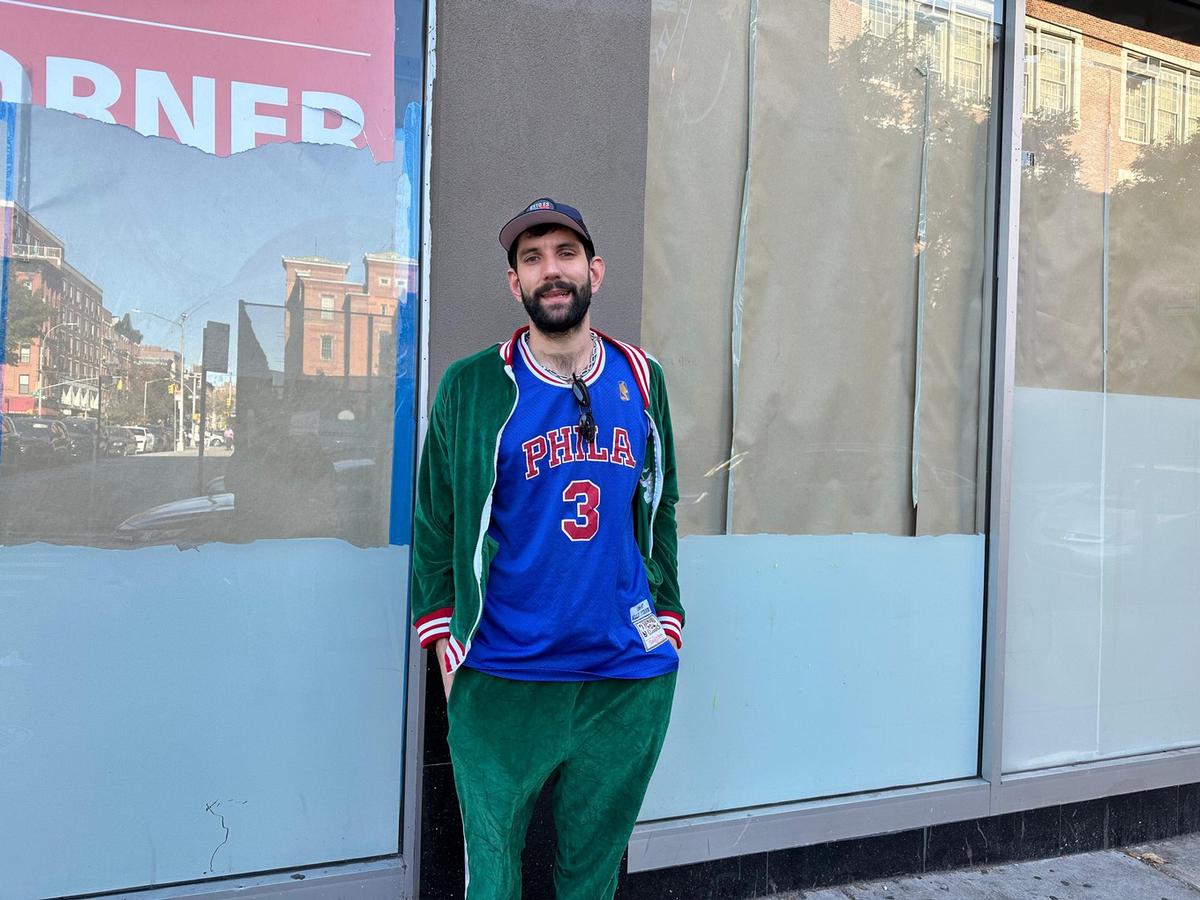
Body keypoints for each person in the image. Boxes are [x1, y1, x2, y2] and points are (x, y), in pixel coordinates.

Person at [411, 198, 684, 898]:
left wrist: (670, 619)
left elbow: (660, 509)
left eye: (564, 253)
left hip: (622, 677)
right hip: (504, 674)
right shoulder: (472, 386)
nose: (549, 270)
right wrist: (444, 640)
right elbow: (437, 519)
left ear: (594, 271)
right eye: (531, 259)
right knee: (492, 877)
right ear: (515, 285)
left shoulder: (642, 378)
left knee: (591, 875)